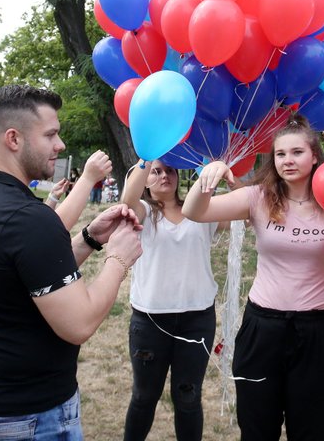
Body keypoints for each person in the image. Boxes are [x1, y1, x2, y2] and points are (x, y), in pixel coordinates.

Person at [0, 85, 143, 440]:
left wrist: (90, 239)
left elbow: (26, 278)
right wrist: (117, 259)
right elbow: (78, 323)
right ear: (14, 139)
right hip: (24, 415)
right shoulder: (27, 218)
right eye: (50, 134)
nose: (60, 145)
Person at [183, 114, 324, 440]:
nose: (287, 160)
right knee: (257, 428)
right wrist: (207, 179)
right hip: (263, 329)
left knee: (311, 429)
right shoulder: (257, 197)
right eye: (280, 153)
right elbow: (194, 212)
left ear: (315, 156)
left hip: (319, 331)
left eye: (297, 152)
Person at [120, 159, 227, 441]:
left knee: (189, 397)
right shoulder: (142, 212)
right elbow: (127, 201)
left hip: (197, 320)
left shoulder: (200, 210)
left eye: (170, 170)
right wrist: (147, 155)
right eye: (156, 172)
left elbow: (240, 213)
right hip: (150, 320)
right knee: (144, 396)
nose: (164, 176)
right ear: (145, 180)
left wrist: (225, 170)